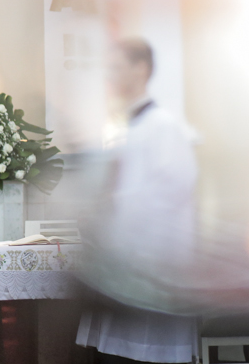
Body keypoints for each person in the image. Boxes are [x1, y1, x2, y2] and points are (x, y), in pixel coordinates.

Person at [77, 39, 200, 364]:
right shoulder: (131, 126)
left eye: (117, 67)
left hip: (149, 282)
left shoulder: (164, 129)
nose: (110, 76)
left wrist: (109, 213)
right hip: (124, 279)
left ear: (142, 69)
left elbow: (165, 207)